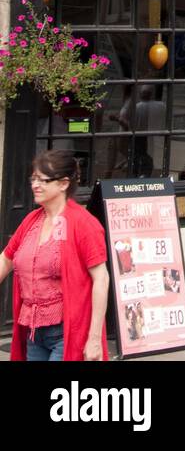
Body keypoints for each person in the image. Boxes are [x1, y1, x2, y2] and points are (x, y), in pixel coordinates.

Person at [0, 149, 109, 361]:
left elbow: (101, 279)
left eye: (43, 180)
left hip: (67, 330)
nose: (35, 185)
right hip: (33, 331)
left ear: (63, 184)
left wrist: (94, 338)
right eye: (33, 178)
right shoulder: (32, 220)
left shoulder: (84, 224)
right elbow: (6, 259)